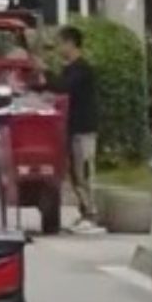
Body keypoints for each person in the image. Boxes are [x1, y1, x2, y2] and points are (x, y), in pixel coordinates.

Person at [35, 25, 101, 234]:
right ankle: (84, 213)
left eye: (61, 43)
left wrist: (45, 70)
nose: (58, 48)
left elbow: (63, 87)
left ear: (71, 43)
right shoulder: (69, 69)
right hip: (71, 128)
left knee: (84, 172)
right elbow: (57, 86)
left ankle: (92, 215)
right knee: (75, 173)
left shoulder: (82, 69)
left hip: (84, 129)